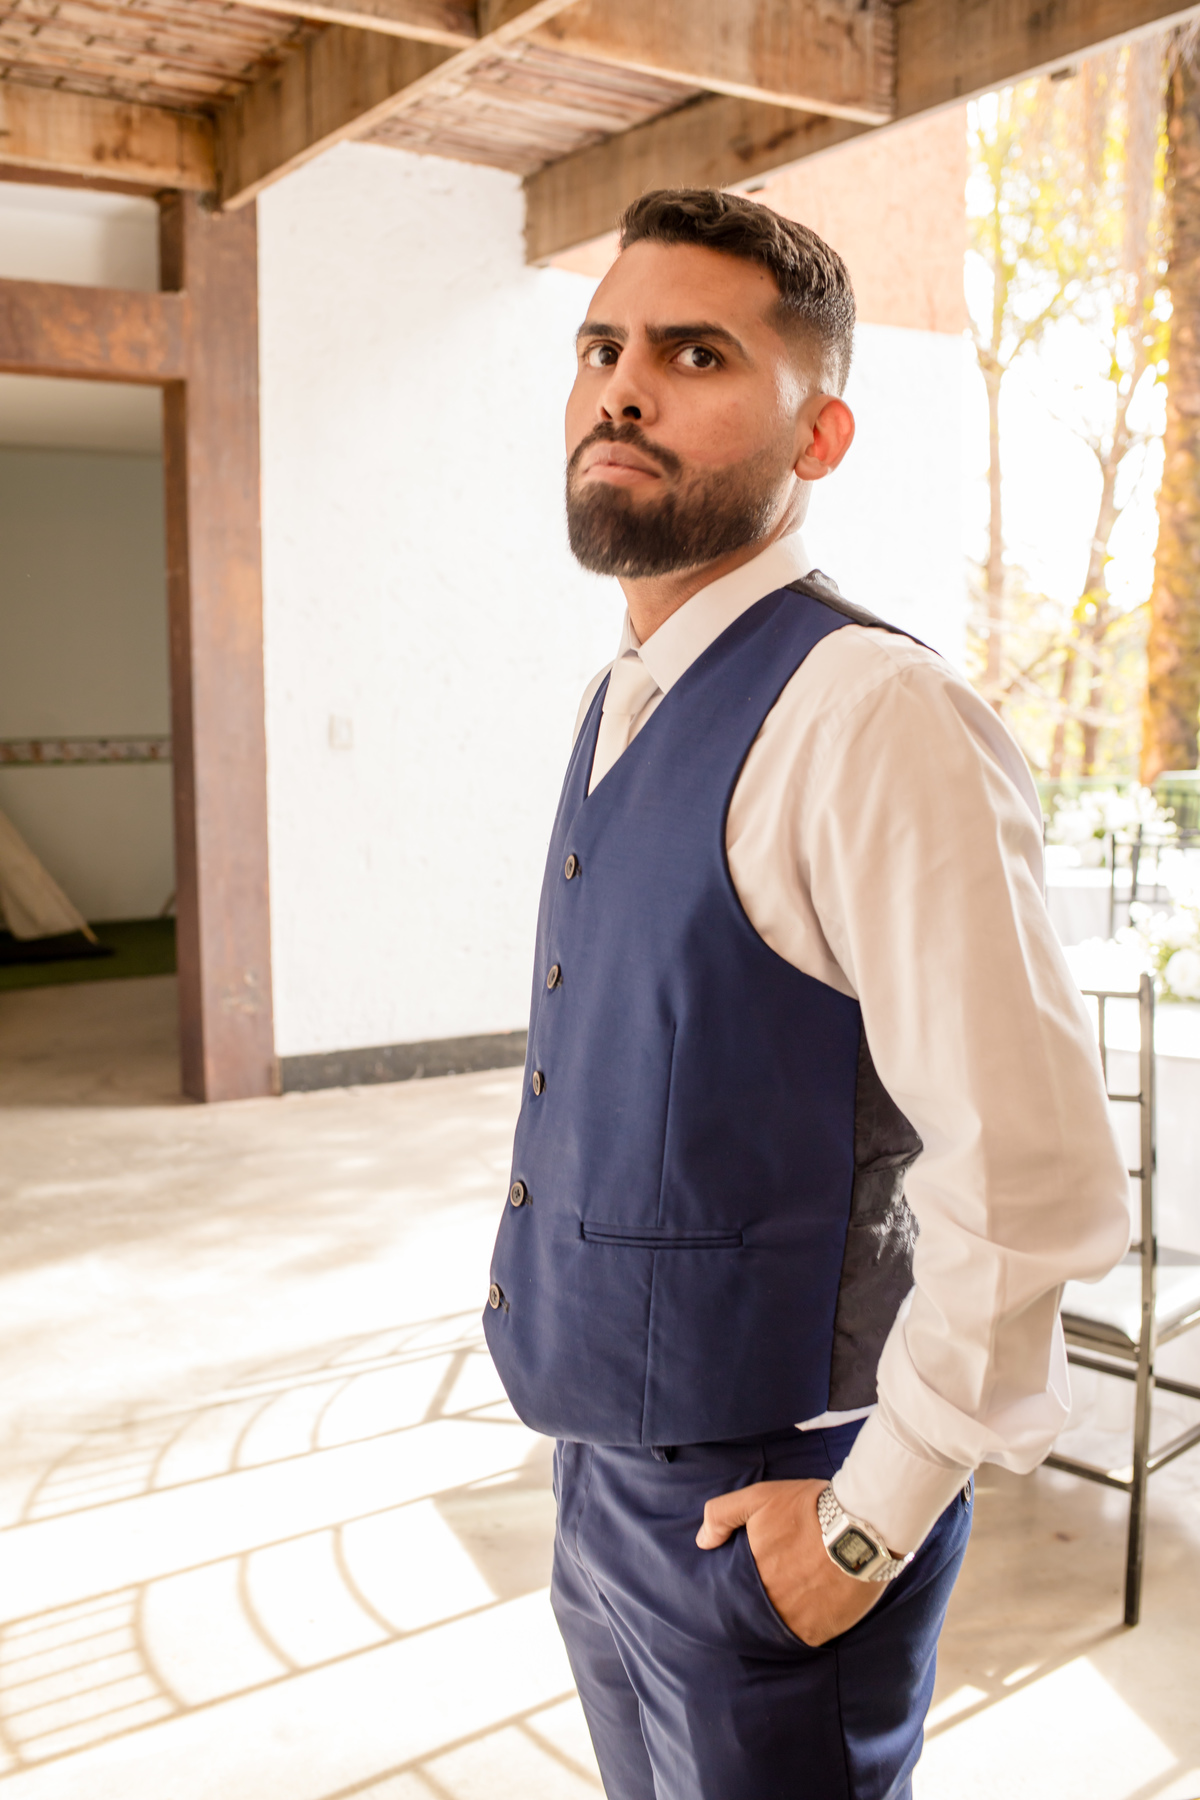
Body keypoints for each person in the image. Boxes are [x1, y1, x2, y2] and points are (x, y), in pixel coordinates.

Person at [484, 188, 1129, 1800]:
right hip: (602, 1481)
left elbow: (1031, 1175)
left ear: (819, 434)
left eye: (695, 354)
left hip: (782, 1499)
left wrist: (866, 1520)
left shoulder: (873, 712)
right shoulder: (621, 696)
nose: (623, 389)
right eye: (602, 349)